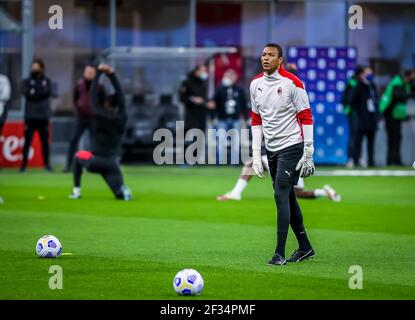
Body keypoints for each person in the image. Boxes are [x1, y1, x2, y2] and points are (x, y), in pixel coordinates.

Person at [250, 43, 315, 266]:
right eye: (263, 54)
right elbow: (256, 120)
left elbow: (306, 116)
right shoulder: (255, 84)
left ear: (280, 60)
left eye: (271, 55)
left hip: (292, 146)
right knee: (288, 197)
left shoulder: (293, 83)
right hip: (272, 149)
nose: (266, 58)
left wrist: (308, 151)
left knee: (280, 194)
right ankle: (305, 247)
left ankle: (279, 253)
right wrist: (256, 155)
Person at [68, 64, 131, 201]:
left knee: (78, 156)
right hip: (112, 164)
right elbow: (121, 96)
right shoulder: (122, 117)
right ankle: (122, 191)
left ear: (106, 104)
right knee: (119, 194)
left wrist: (98, 74)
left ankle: (76, 192)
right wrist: (112, 75)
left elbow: (93, 95)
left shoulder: (98, 114)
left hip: (95, 161)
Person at [216, 155, 340, 202]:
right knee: (251, 164)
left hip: (287, 156)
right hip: (284, 155)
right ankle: (235, 193)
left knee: (297, 193)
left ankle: (324, 192)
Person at [63, 64, 100, 172]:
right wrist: (79, 109)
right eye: (87, 72)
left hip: (93, 118)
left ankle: (96, 166)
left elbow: (102, 102)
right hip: (81, 117)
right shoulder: (79, 85)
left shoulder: (98, 86)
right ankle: (69, 165)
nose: (88, 74)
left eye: (91, 72)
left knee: (95, 142)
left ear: (94, 73)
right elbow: (75, 99)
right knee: (74, 139)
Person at [20, 58, 53, 172]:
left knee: (45, 143)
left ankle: (47, 165)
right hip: (30, 117)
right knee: (27, 142)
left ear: (41, 68)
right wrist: (38, 93)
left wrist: (34, 92)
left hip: (43, 117)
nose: (34, 69)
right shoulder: (26, 81)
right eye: (33, 66)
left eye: (37, 67)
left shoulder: (47, 81)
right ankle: (23, 166)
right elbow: (27, 94)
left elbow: (47, 93)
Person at [380, 69, 415, 165]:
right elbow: (398, 97)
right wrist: (409, 94)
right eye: (413, 75)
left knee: (397, 137)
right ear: (408, 76)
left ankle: (396, 160)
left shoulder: (405, 84)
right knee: (393, 138)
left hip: (397, 115)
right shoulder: (397, 83)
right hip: (390, 114)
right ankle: (391, 161)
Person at [214, 69, 248, 164]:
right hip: (222, 119)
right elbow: (214, 102)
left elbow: (243, 105)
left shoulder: (239, 90)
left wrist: (246, 118)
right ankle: (220, 162)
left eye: (231, 76)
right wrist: (214, 117)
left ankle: (234, 162)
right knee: (221, 141)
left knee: (236, 142)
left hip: (236, 119)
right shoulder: (220, 89)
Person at [349, 66, 378, 167]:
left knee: (371, 141)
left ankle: (371, 161)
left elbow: (375, 101)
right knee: (358, 141)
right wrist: (360, 112)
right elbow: (351, 101)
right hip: (362, 118)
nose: (369, 75)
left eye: (371, 73)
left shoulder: (372, 86)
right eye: (367, 73)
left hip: (372, 117)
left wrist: (377, 115)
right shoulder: (358, 86)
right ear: (362, 75)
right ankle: (356, 161)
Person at [179, 64, 211, 134]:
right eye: (203, 71)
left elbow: (204, 98)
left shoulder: (203, 83)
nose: (205, 73)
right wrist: (193, 99)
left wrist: (207, 102)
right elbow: (182, 97)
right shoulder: (187, 82)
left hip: (201, 115)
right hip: (191, 115)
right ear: (197, 71)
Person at [342, 66, 363, 168]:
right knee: (353, 136)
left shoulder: (359, 83)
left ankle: (357, 159)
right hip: (353, 113)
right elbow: (346, 99)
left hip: (358, 114)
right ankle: (350, 159)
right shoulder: (352, 84)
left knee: (357, 137)